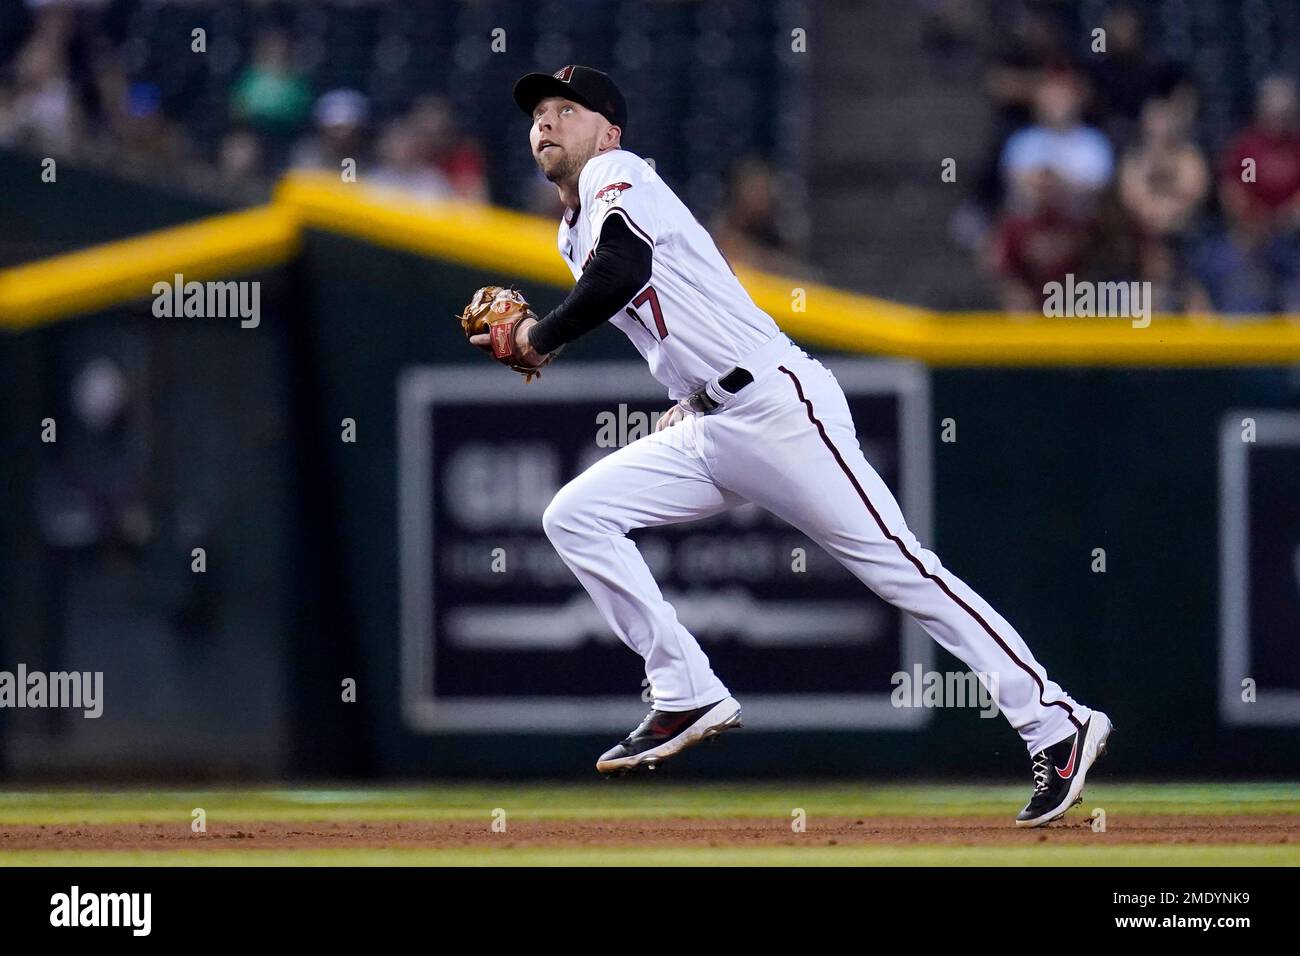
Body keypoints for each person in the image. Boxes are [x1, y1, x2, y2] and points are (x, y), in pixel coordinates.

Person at [476, 65, 1110, 826]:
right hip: (711, 419)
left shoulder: (620, 173)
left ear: (608, 131)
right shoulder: (567, 228)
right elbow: (670, 302)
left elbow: (625, 269)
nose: (545, 121)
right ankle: (685, 692)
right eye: (538, 112)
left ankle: (1056, 720)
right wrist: (688, 397)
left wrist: (541, 337)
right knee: (575, 515)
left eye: (566, 110)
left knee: (901, 569)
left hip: (779, 407)